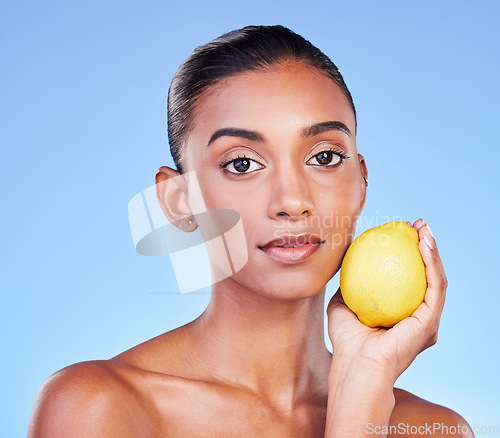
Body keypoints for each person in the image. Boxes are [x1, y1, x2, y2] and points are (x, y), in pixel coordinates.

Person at [28, 25, 474, 437]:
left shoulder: (432, 428)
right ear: (181, 203)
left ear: (360, 182)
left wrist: (364, 383)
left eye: (324, 157)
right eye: (242, 164)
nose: (291, 201)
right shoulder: (98, 409)